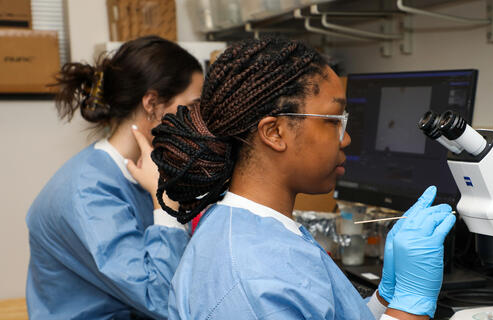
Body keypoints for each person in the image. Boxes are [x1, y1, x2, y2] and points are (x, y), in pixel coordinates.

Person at [153, 38, 456, 320]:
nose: (346, 138)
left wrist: (385, 299)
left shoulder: (254, 229)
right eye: (335, 120)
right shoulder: (253, 278)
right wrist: (410, 306)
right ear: (275, 132)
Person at [26, 36, 204, 320]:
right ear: (152, 103)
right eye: (193, 107)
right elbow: (160, 299)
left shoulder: (144, 171)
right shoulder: (87, 193)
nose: (199, 120)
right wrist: (164, 203)